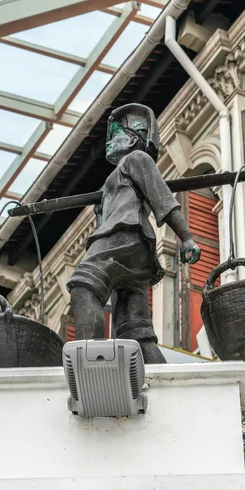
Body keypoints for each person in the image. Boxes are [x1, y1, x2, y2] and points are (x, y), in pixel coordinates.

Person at [67, 104, 201, 363]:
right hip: (134, 252)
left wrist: (187, 237)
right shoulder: (119, 175)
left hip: (123, 237)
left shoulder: (136, 159)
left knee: (83, 288)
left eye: (114, 136)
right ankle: (162, 379)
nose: (108, 143)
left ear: (130, 139)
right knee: (135, 330)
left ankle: (89, 362)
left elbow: (162, 199)